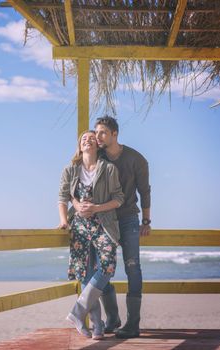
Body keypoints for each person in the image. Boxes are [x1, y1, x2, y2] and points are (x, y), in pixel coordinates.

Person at [58, 130, 124, 340]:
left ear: (97, 145)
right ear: (79, 146)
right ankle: (97, 326)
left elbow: (119, 198)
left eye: (91, 138)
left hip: (104, 225)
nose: (87, 140)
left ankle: (78, 312)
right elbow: (62, 196)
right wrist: (64, 220)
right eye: (83, 139)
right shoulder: (70, 169)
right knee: (85, 274)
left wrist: (96, 208)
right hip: (79, 227)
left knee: (107, 266)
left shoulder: (109, 169)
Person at [90, 116, 152, 339]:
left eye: (103, 133)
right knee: (103, 268)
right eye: (96, 133)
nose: (98, 137)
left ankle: (133, 324)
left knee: (132, 268)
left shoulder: (136, 159)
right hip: (104, 221)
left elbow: (145, 191)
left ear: (115, 134)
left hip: (128, 220)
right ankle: (113, 318)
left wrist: (146, 221)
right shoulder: (99, 157)